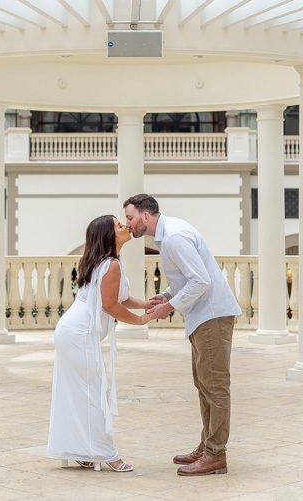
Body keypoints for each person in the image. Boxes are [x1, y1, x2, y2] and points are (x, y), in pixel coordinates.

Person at [122, 194, 242, 477]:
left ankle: (215, 454)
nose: (128, 224)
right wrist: (166, 295)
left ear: (146, 216)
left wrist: (169, 306)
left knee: (214, 386)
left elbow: (201, 280)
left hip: (212, 315)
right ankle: (207, 446)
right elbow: (189, 278)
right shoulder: (169, 235)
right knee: (204, 384)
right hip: (204, 316)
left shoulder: (174, 237)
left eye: (130, 217)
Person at [46, 215, 155, 472]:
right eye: (119, 225)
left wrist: (145, 304)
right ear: (109, 235)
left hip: (71, 330)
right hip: (79, 334)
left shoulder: (105, 263)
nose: (126, 226)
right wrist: (140, 321)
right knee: (94, 393)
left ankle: (83, 449)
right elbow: (110, 304)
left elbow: (120, 296)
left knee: (79, 393)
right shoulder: (111, 265)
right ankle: (108, 454)